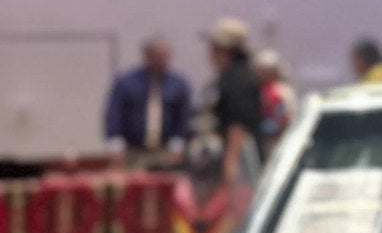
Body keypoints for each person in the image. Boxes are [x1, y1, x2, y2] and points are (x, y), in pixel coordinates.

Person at [103, 37, 192, 166]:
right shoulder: (126, 82)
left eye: (165, 56)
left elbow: (184, 116)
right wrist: (115, 145)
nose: (162, 61)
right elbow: (114, 113)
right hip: (132, 149)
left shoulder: (178, 84)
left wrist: (178, 145)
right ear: (147, 55)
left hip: (165, 149)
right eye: (158, 56)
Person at [205, 17, 263, 185]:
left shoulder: (237, 80)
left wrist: (230, 167)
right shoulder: (237, 76)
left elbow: (238, 126)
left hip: (241, 163)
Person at [254, 49, 298, 151]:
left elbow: (285, 114)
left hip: (279, 138)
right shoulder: (259, 90)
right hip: (263, 137)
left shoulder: (281, 91)